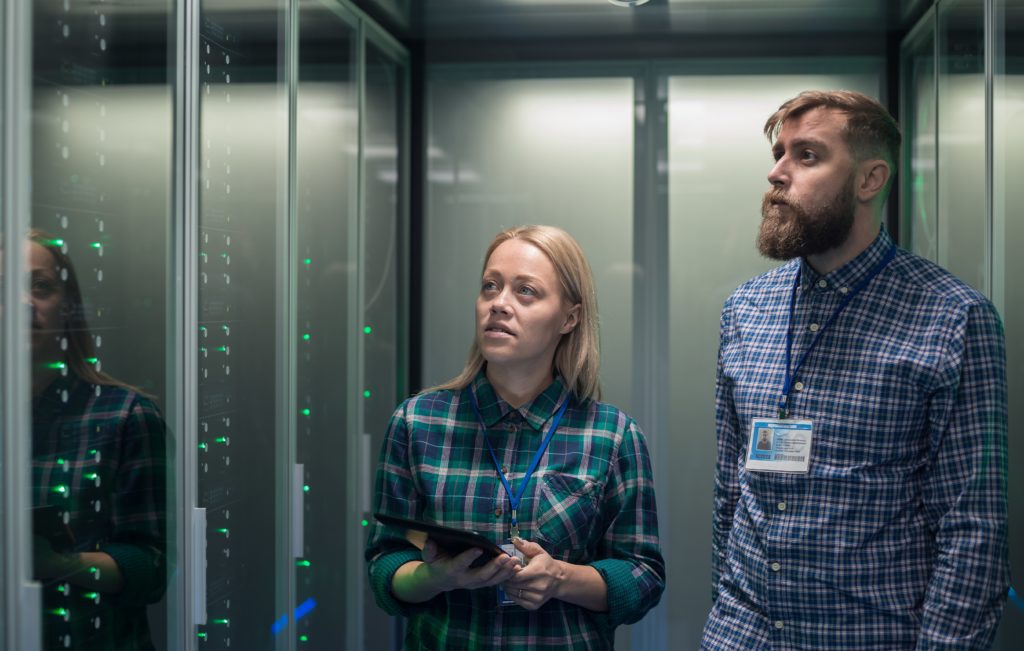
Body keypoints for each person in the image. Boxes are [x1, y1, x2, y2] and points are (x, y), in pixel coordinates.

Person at [702, 90, 1009, 650]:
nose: (777, 174)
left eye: (807, 156)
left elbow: (974, 532)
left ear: (870, 180)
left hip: (866, 635)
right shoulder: (745, 309)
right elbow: (729, 493)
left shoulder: (953, 317)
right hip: (742, 635)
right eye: (778, 154)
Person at [366, 225, 665, 649]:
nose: (499, 304)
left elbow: (644, 579)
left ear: (569, 317)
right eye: (490, 287)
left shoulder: (613, 436)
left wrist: (560, 578)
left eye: (526, 291)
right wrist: (433, 578)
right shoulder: (417, 423)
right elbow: (384, 565)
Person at [29, 229, 167, 650]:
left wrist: (57, 565)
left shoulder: (124, 416)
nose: (22, 303)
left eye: (41, 287)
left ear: (67, 308)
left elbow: (150, 569)